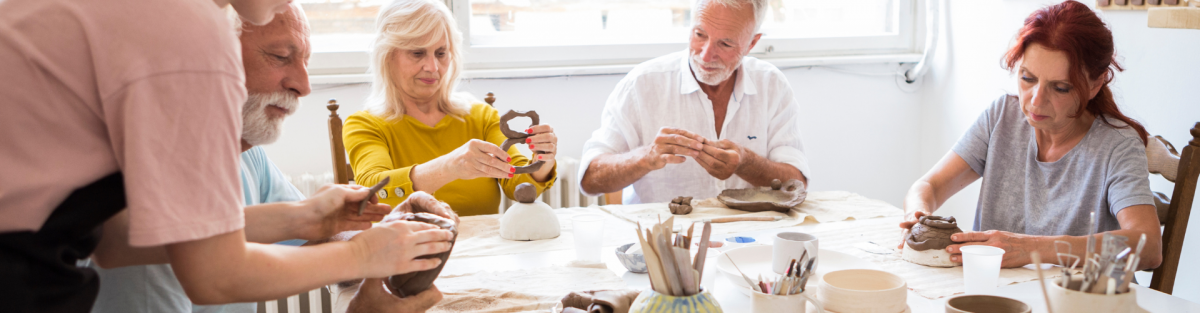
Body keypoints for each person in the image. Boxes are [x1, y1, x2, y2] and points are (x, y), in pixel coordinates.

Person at [0, 0, 453, 311]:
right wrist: (365, 257)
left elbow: (117, 241)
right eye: (279, 55)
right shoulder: (189, 27)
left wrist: (304, 216)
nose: (304, 84)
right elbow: (215, 276)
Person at [898, 0, 1161, 269]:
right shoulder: (1002, 116)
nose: (1035, 102)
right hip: (1000, 295)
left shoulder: (1118, 146)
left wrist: (1034, 248)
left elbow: (1148, 246)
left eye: (1060, 88)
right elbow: (928, 187)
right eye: (1027, 78)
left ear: (1096, 83)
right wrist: (917, 216)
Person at [577, 0, 811, 204]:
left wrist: (746, 163)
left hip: (748, 239)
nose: (706, 55)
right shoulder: (642, 84)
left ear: (751, 44)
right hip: (664, 240)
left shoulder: (772, 85)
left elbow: (797, 183)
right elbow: (589, 180)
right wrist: (645, 157)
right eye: (700, 35)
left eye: (725, 44)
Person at [343, 0, 559, 217]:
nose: (432, 67)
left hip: (483, 247)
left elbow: (518, 184)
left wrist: (543, 159)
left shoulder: (481, 116)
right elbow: (375, 192)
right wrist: (449, 167)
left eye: (440, 53)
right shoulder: (364, 125)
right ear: (388, 56)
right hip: (407, 248)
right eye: (417, 53)